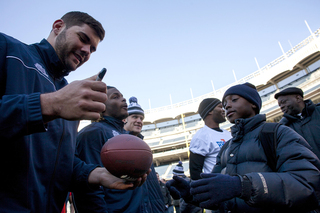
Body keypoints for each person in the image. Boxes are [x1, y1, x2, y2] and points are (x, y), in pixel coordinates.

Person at [0, 11, 144, 212]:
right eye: (83, 39)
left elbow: (58, 163)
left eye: (92, 49)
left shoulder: (70, 94)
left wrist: (95, 174)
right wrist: (49, 105)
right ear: (58, 27)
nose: (86, 51)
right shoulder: (8, 50)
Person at [166, 82, 320, 212]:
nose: (227, 106)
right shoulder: (226, 147)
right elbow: (222, 198)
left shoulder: (277, 132)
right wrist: (192, 194)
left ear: (253, 103)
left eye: (234, 99)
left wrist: (244, 186)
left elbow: (307, 183)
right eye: (225, 103)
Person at [74, 89, 153, 212]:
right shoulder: (92, 133)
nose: (123, 99)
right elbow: (90, 187)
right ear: (101, 106)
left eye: (122, 96)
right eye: (115, 97)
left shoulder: (128, 135)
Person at [124, 96, 166, 212]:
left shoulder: (143, 145)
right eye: (135, 117)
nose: (139, 121)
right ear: (124, 119)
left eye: (141, 118)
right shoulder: (119, 145)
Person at [189, 98, 232, 180]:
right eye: (220, 107)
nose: (224, 110)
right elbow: (195, 172)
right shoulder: (201, 136)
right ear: (210, 111)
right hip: (218, 186)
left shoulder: (228, 133)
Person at [275, 87, 320, 158]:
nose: (281, 107)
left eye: (283, 102)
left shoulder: (318, 111)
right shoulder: (284, 127)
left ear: (298, 98)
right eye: (280, 105)